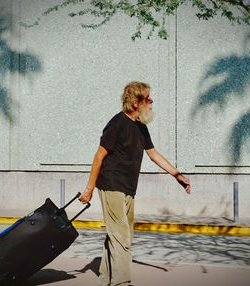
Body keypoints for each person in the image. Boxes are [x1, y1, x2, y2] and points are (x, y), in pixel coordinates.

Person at [78, 81, 191, 286]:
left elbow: (153, 154)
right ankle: (122, 282)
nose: (151, 101)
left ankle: (106, 279)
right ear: (136, 102)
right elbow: (98, 157)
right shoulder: (117, 124)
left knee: (121, 236)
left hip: (129, 188)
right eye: (148, 99)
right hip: (111, 184)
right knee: (120, 235)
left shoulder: (140, 126)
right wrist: (89, 190)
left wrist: (176, 174)